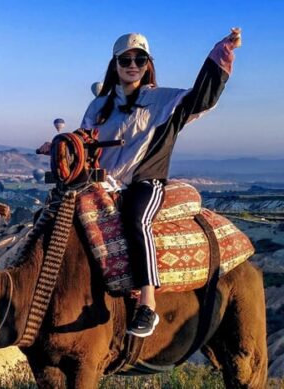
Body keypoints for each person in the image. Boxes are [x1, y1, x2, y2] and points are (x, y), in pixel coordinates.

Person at [38, 28, 241, 337]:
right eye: (126, 60)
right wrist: (61, 144)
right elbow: (85, 141)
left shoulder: (164, 101)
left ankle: (147, 303)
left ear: (148, 64)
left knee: (136, 219)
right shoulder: (99, 106)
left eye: (140, 59)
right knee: (57, 213)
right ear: (115, 64)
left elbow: (202, 97)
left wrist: (221, 54)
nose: (132, 65)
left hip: (144, 182)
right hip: (103, 183)